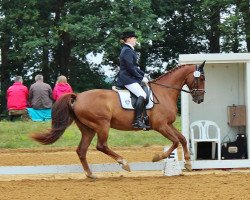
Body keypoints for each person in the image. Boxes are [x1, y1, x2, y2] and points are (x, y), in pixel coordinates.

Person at [116, 30, 150, 129]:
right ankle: (137, 120)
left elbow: (134, 68)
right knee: (142, 94)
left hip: (130, 77)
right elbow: (130, 68)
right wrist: (141, 78)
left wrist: (144, 75)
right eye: (134, 38)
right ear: (129, 39)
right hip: (127, 79)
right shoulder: (127, 50)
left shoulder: (128, 49)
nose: (136, 40)